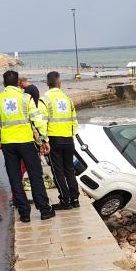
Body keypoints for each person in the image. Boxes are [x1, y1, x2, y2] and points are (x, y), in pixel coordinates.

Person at [0, 70, 55, 223]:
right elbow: (37, 120)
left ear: (4, 83)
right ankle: (44, 210)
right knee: (35, 175)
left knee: (15, 178)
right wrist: (44, 140)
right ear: (18, 82)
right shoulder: (26, 98)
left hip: (8, 145)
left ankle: (24, 213)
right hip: (26, 142)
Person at [38, 71, 79, 210]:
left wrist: (44, 141)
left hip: (54, 139)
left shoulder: (44, 100)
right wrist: (71, 135)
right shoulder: (68, 99)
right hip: (68, 138)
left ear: (47, 83)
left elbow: (42, 122)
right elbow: (74, 121)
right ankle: (75, 198)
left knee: (58, 171)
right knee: (69, 169)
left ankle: (65, 200)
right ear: (59, 82)